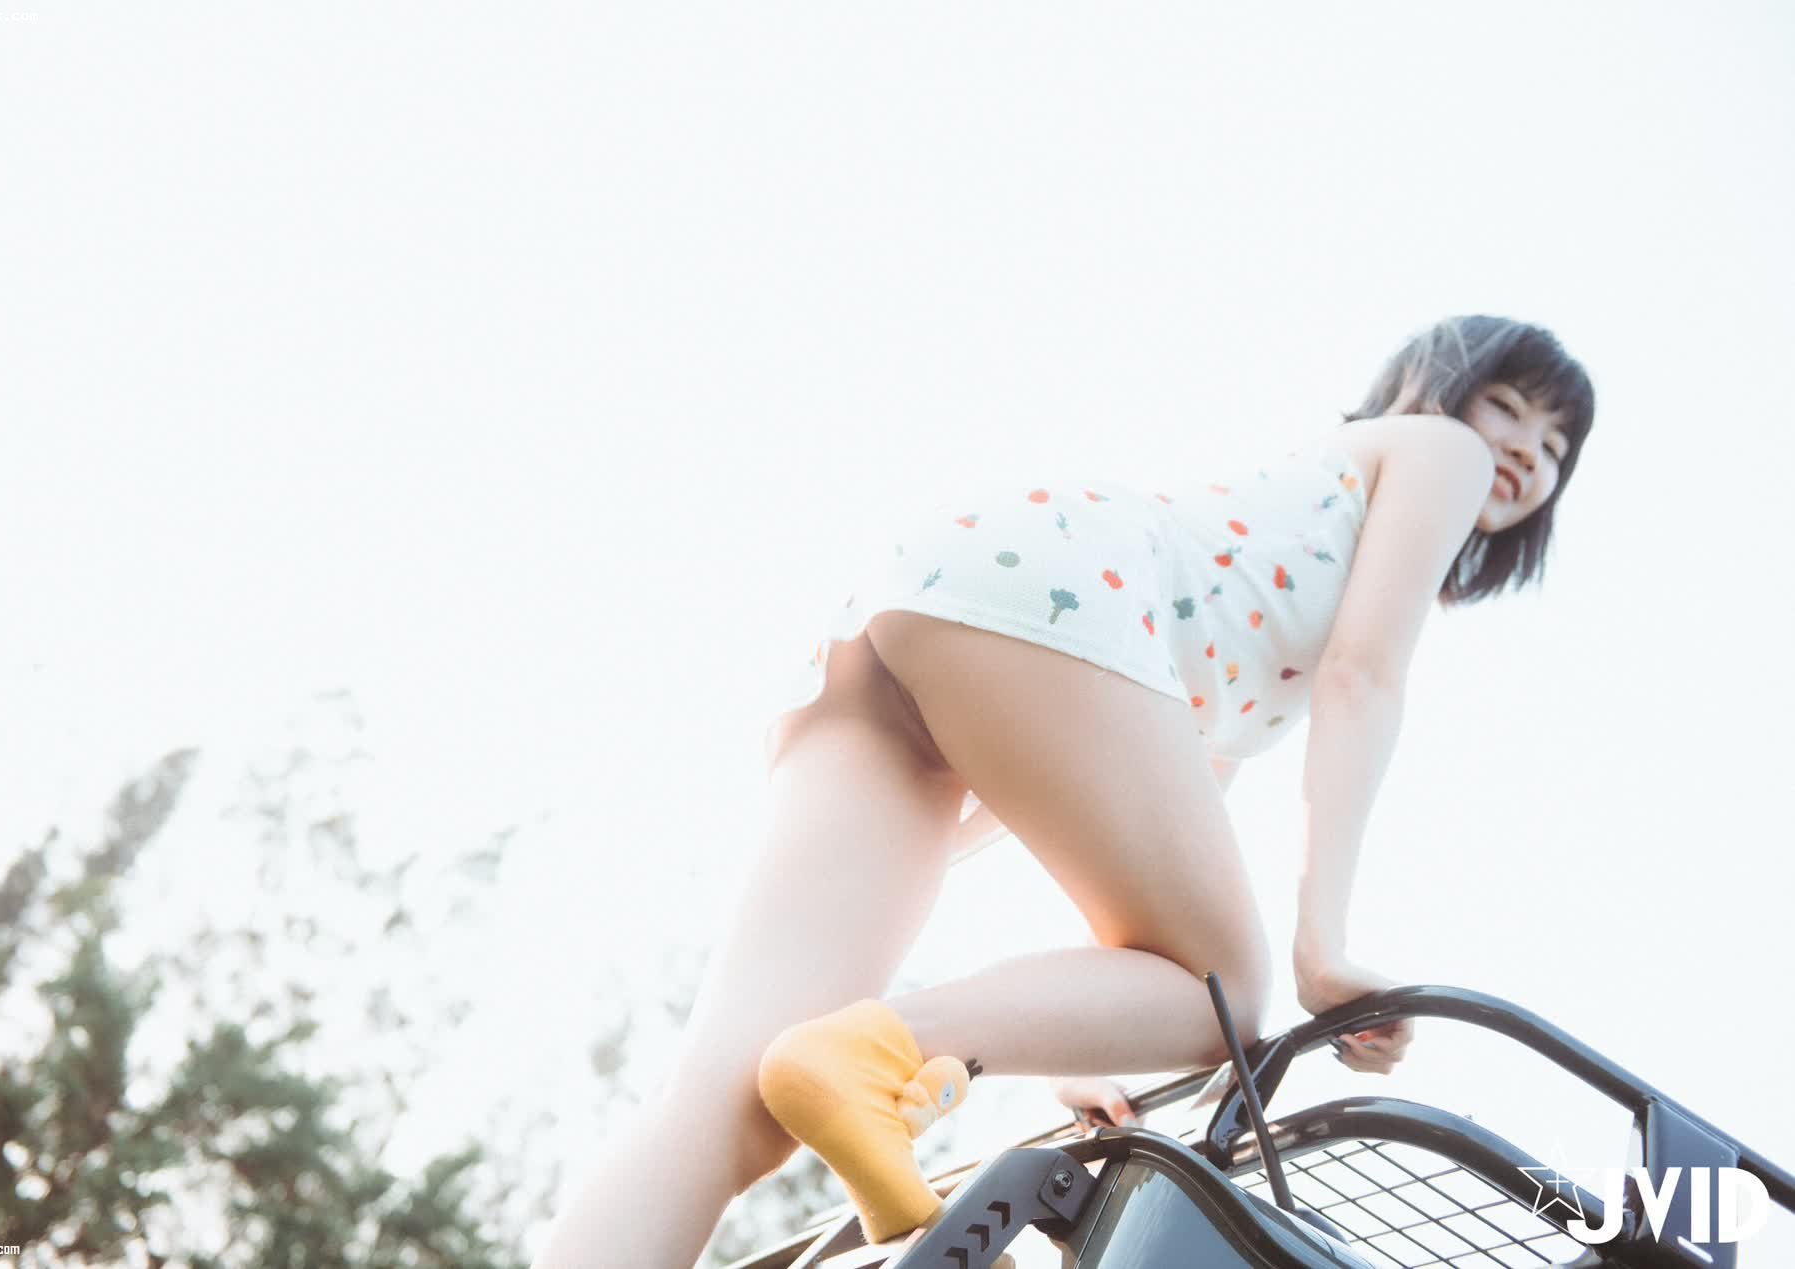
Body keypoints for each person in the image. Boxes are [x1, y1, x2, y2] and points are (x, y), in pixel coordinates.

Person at [535, 314, 1595, 1267]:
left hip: (918, 613)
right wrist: (1322, 950)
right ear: (1432, 390)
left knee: (725, 1102)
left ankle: (852, 1063)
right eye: (1506, 406)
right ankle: (878, 1053)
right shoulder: (1439, 453)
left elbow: (1151, 832)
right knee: (1225, 994)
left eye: (1555, 447)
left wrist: (1081, 1039)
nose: (1522, 451)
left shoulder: (1269, 561)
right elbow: (1363, 676)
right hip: (1051, 594)